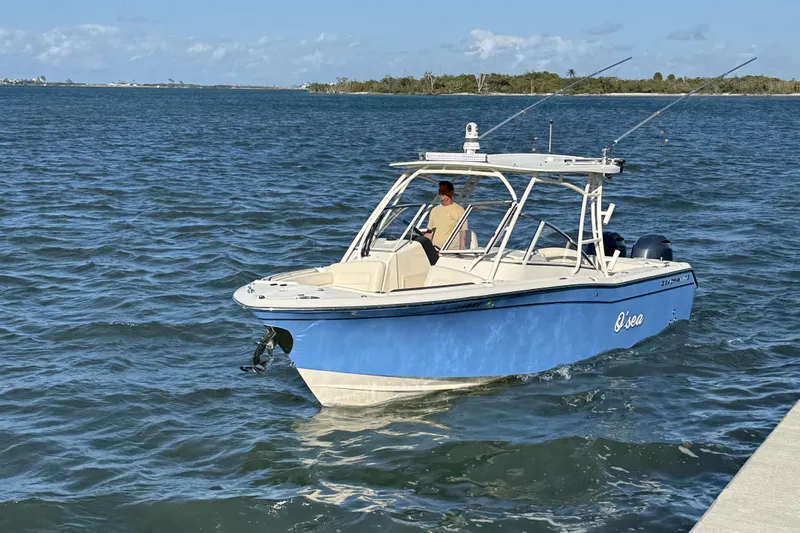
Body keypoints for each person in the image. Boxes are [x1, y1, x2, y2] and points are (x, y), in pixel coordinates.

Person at [425, 181, 467, 249]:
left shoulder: (459, 210)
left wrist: (460, 253)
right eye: (440, 191)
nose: (441, 193)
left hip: (451, 252)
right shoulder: (434, 210)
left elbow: (463, 234)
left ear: (451, 192)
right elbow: (429, 233)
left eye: (444, 191)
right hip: (435, 250)